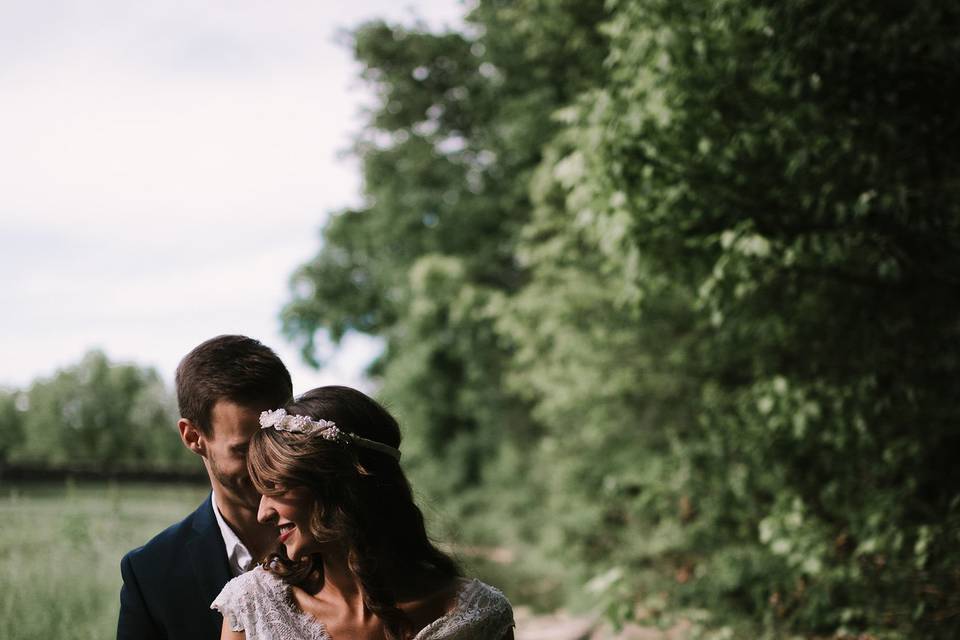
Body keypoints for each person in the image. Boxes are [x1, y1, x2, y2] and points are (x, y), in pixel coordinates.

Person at [211, 386, 515, 639]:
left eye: (276, 486)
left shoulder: (481, 616)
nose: (263, 512)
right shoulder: (251, 607)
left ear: (340, 482)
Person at [117, 335, 294, 640]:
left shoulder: (336, 538)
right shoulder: (151, 572)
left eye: (280, 442)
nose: (269, 467)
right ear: (192, 437)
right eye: (244, 450)